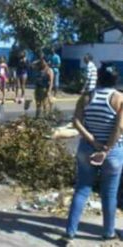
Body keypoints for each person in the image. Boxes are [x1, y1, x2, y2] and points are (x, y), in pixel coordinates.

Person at [64, 63, 123, 243]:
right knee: (109, 193)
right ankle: (108, 232)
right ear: (116, 79)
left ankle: (70, 231)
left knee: (82, 189)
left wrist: (92, 141)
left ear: (98, 78)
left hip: (86, 150)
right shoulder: (119, 98)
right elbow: (119, 127)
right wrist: (106, 149)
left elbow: (76, 121)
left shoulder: (86, 97)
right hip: (112, 153)